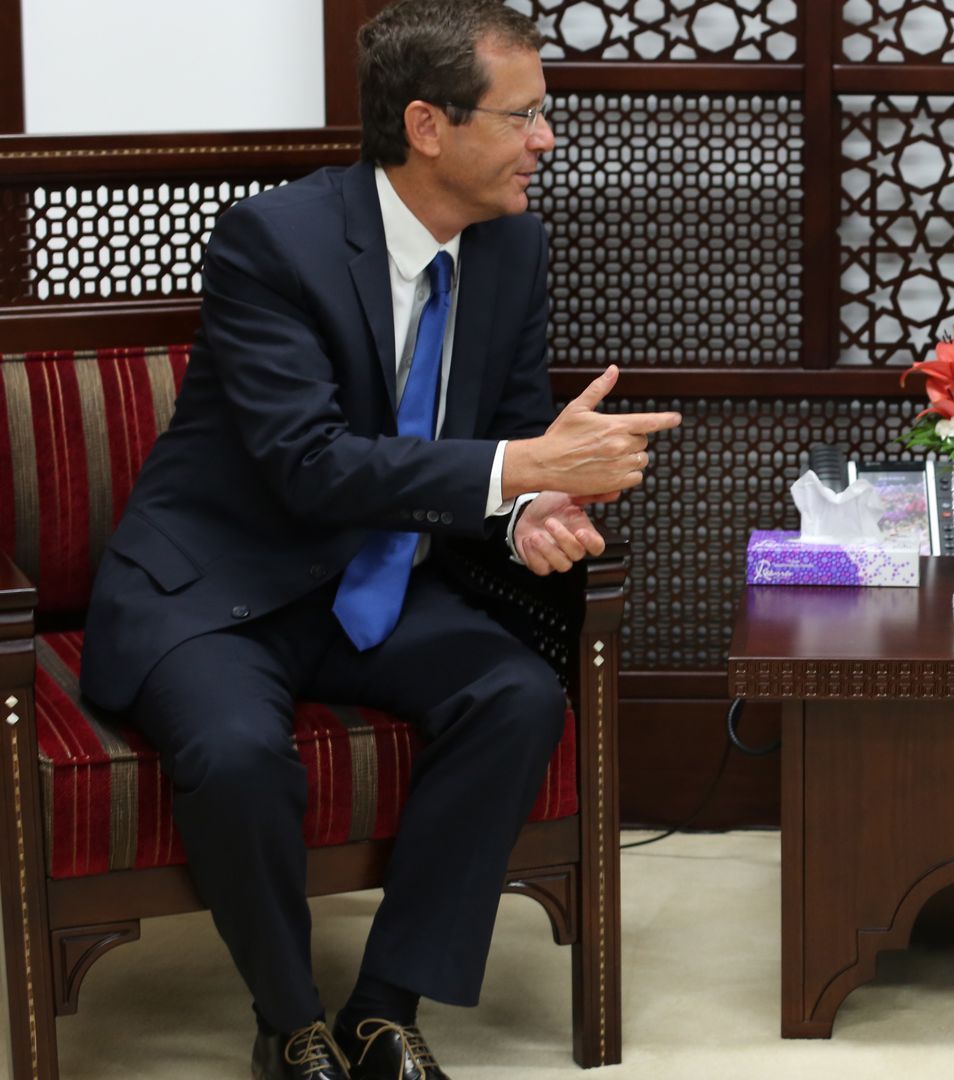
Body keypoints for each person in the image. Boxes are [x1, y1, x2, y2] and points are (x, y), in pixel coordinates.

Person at [78, 2, 681, 1076]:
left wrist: (528, 508)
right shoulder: (276, 241)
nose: (547, 139)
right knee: (234, 753)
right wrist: (524, 470)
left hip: (381, 580)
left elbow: (494, 436)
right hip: (224, 583)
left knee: (518, 693)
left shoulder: (511, 246)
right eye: (525, 115)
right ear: (428, 125)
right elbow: (308, 462)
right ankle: (292, 1023)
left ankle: (383, 1010)